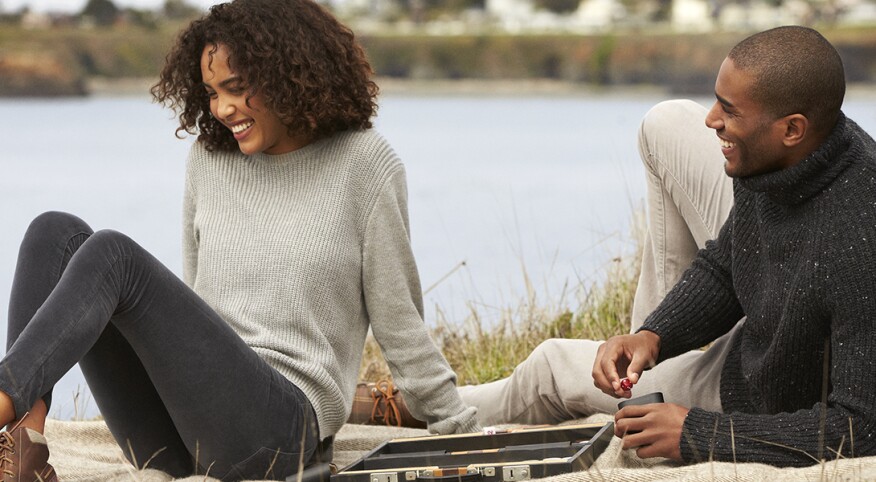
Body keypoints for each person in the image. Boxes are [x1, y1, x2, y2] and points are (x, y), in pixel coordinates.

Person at [0, 0, 479, 480]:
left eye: (237, 88)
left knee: (113, 255)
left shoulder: (365, 166)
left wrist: (456, 423)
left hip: (277, 432)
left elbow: (401, 323)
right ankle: (22, 447)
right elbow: (195, 305)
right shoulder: (210, 162)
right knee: (54, 232)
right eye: (211, 92)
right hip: (179, 433)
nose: (222, 108)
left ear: (291, 77)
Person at [459, 25, 876, 467]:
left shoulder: (857, 238)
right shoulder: (773, 159)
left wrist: (696, 433)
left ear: (792, 129)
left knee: (552, 368)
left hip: (764, 407)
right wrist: (654, 335)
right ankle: (435, 404)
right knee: (558, 364)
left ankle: (429, 406)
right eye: (717, 100)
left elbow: (860, 426)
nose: (711, 119)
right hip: (751, 361)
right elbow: (726, 263)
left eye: (729, 110)